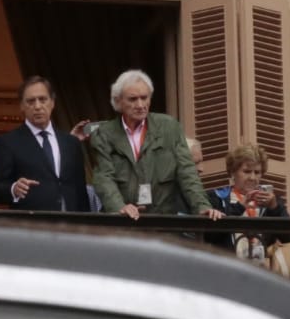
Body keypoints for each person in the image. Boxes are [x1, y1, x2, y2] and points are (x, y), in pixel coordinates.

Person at [87, 70, 219, 220]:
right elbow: (104, 178)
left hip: (162, 221)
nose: (140, 105)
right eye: (133, 99)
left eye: (144, 98)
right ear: (118, 101)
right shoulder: (104, 134)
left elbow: (187, 172)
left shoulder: (169, 127)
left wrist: (202, 206)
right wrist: (119, 207)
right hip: (123, 225)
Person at [0, 76, 89, 212]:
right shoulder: (8, 142)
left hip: (69, 224)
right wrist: (14, 188)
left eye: (43, 100)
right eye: (31, 101)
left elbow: (80, 190)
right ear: (22, 106)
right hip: (31, 226)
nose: (37, 106)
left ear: (52, 102)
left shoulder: (71, 143)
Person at [207, 142, 290, 269]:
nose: (252, 177)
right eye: (246, 171)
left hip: (260, 273)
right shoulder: (217, 197)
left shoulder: (272, 201)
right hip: (225, 271)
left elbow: (288, 238)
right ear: (232, 172)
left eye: (257, 172)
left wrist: (274, 207)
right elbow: (209, 235)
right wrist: (240, 206)